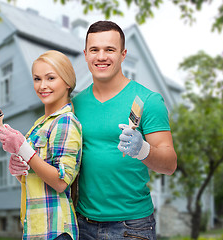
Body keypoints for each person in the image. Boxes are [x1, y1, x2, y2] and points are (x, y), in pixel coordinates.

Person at [72, 21, 177, 240]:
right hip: (83, 224)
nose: (101, 56)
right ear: (85, 54)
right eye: (94, 50)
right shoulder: (75, 104)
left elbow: (169, 164)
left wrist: (143, 150)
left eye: (109, 49)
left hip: (132, 226)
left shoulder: (148, 100)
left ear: (123, 54)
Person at [0, 50, 82, 240]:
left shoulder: (65, 122)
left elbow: (61, 182)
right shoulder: (39, 125)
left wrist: (24, 149)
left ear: (67, 82)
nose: (42, 86)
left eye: (50, 78)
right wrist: (18, 170)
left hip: (56, 230)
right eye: (37, 79)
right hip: (35, 228)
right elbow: (35, 177)